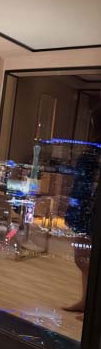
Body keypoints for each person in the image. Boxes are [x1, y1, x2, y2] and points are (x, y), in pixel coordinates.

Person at [64, 106, 101, 316]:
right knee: (83, 257)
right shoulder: (94, 150)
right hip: (85, 209)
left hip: (89, 210)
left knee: (85, 258)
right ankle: (86, 301)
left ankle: (91, 304)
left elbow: (87, 184)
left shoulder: (95, 151)